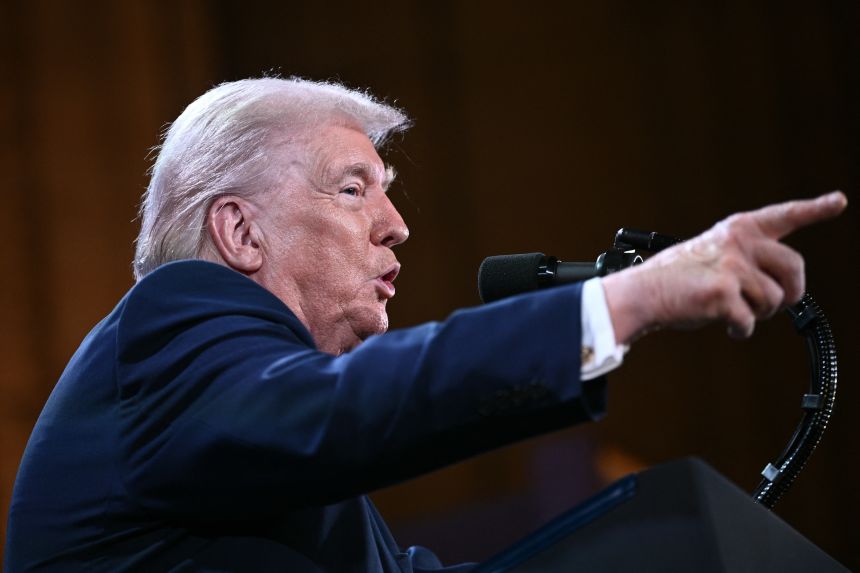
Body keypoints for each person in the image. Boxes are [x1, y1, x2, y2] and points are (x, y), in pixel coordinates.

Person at [4, 78, 847, 572]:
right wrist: (632, 299)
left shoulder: (272, 446)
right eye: (352, 188)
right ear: (240, 232)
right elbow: (348, 406)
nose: (397, 223)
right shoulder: (170, 327)